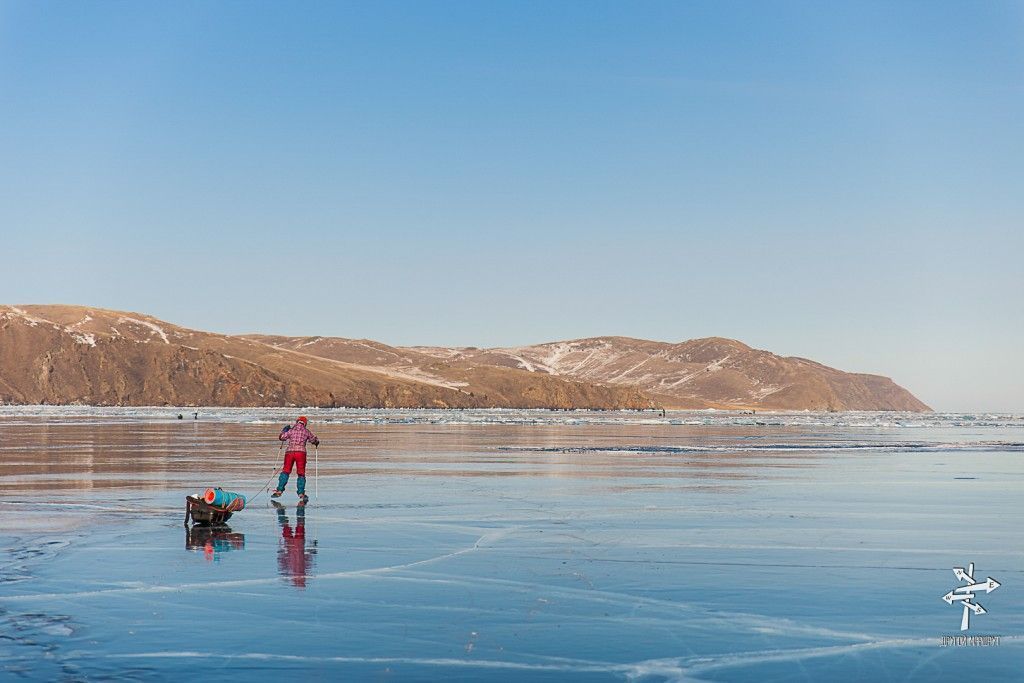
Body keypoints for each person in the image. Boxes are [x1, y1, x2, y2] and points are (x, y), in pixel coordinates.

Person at [272, 416, 320, 503]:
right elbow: (313, 440)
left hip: (289, 452)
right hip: (301, 453)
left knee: (286, 471)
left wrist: (284, 431)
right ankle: (301, 493)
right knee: (301, 473)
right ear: (305, 423)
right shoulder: (306, 431)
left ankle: (279, 491)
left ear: (297, 422)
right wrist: (316, 441)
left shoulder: (291, 430)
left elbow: (282, 437)